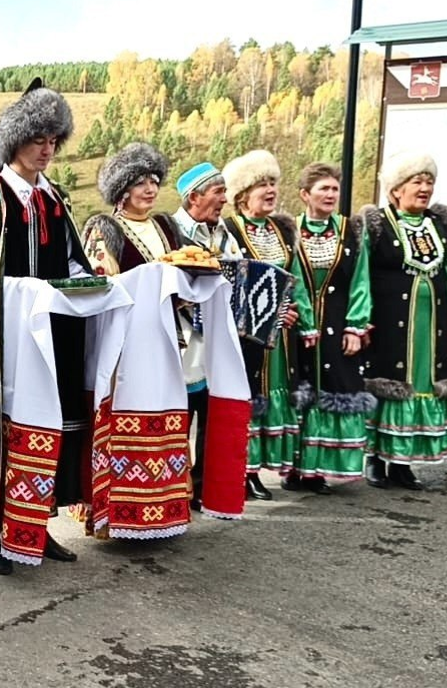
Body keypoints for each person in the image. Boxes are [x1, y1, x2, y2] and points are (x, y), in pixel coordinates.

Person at [0, 78, 89, 574]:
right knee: (0, 430)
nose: (46, 150)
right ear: (15, 142)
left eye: (53, 141)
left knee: (45, 424)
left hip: (50, 338)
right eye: (37, 140)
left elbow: (73, 260)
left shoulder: (57, 199)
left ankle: (37, 524)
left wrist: (89, 282)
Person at [360, 153, 447, 490]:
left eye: (429, 182)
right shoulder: (377, 224)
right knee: (391, 382)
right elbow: (362, 276)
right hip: (390, 322)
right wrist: (360, 319)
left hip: (430, 325)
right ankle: (377, 459)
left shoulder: (440, 225)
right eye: (417, 182)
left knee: (422, 386)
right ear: (396, 189)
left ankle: (403, 463)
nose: (425, 189)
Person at [222, 149, 315, 501]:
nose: (271, 190)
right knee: (248, 396)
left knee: (271, 399)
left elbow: (298, 279)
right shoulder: (231, 231)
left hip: (280, 339)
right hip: (247, 336)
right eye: (262, 183)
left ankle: (257, 469)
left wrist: (302, 317)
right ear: (243, 193)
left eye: (273, 182)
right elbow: (231, 282)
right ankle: (240, 471)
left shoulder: (282, 229)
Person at [289, 163, 374, 493]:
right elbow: (292, 278)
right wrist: (305, 322)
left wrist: (355, 326)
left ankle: (322, 468)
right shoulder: (292, 231)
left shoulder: (351, 231)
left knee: (336, 388)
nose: (330, 194)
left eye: (334, 189)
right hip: (302, 330)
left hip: (338, 325)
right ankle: (298, 469)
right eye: (323, 188)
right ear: (304, 194)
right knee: (303, 391)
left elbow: (361, 281)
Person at [172, 162, 237, 509]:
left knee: (212, 414)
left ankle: (204, 487)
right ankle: (178, 491)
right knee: (180, 415)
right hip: (184, 336)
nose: (224, 200)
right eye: (218, 193)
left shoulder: (224, 233)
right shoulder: (172, 230)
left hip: (215, 336)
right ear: (194, 197)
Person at [81, 142, 182, 273]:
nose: (150, 190)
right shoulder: (105, 231)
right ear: (123, 192)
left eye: (154, 182)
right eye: (140, 184)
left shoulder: (166, 225)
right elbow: (101, 281)